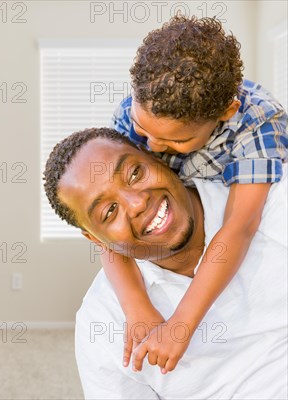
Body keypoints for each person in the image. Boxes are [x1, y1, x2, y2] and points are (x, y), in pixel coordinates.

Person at [43, 127, 288, 398]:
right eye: (109, 211)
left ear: (157, 157)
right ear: (96, 239)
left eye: (135, 173)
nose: (136, 204)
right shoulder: (101, 323)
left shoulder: (274, 200)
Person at [105, 15, 288, 372]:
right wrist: (136, 304)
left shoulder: (258, 122)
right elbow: (100, 216)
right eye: (144, 130)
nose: (152, 146)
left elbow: (240, 226)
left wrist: (181, 324)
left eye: (177, 140)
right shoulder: (130, 116)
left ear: (226, 112)